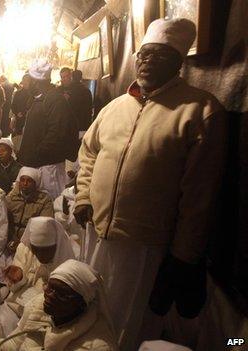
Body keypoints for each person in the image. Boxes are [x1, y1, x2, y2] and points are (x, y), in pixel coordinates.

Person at [74, 18, 227, 350]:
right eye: (143, 55)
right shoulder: (115, 107)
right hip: (96, 233)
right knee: (87, 313)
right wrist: (83, 197)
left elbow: (199, 197)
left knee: (126, 325)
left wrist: (183, 256)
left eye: (158, 56)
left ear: (178, 62)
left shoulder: (199, 111)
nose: (146, 62)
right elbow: (88, 153)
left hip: (145, 247)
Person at [0, 259, 118, 351]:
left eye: (61, 294)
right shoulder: (38, 307)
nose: (49, 295)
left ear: (82, 303)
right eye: (50, 287)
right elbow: (14, 345)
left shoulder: (98, 346)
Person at [0, 217, 76, 337]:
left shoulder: (65, 262)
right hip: (14, 308)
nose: (40, 255)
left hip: (41, 319)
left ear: (55, 245)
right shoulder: (25, 249)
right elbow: (13, 289)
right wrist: (19, 280)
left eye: (45, 250)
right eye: (36, 249)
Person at [17, 59, 79, 200]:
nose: (28, 83)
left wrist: (37, 154)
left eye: (30, 80)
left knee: (50, 203)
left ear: (36, 82)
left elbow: (56, 134)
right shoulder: (40, 98)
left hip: (49, 168)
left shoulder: (55, 100)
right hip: (38, 164)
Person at [5, 167, 55, 254]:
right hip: (9, 239)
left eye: (29, 181)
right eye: (22, 180)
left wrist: (22, 243)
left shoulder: (44, 200)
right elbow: (3, 221)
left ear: (35, 184)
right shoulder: (11, 198)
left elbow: (44, 226)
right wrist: (11, 239)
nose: (25, 184)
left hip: (32, 243)